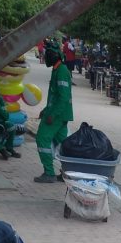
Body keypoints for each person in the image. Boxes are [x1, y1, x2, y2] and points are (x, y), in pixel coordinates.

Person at [34, 39, 73, 184]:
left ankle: (49, 173)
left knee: (42, 138)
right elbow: (55, 97)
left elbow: (63, 97)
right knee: (64, 144)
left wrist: (52, 114)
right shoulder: (57, 70)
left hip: (58, 114)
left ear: (54, 55)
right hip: (59, 113)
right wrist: (46, 110)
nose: (45, 57)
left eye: (47, 54)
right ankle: (67, 173)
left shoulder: (61, 71)